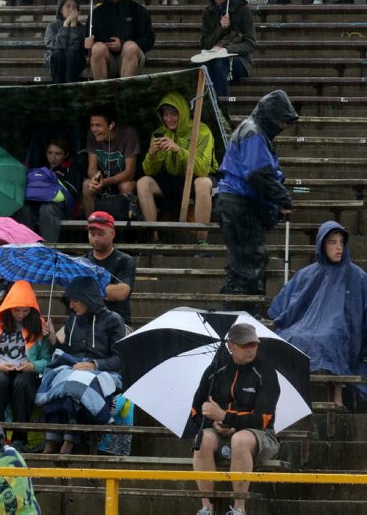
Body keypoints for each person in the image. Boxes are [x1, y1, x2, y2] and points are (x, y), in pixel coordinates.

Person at [268, 221, 367, 406]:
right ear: (322, 244)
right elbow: (288, 304)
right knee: (293, 337)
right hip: (307, 327)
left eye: (341, 242)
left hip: (342, 332)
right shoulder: (308, 273)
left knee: (330, 337)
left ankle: (337, 397)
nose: (338, 247)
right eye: (332, 242)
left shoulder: (357, 275)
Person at [217, 91, 299, 300]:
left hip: (237, 203)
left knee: (244, 263)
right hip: (238, 203)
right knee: (249, 261)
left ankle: (241, 312)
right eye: (282, 121)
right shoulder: (253, 132)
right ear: (271, 117)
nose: (283, 126)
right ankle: (240, 312)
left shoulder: (254, 131)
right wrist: (282, 197)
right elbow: (257, 173)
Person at [191, 323, 280, 515]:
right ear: (230, 345)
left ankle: (239, 509)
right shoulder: (215, 369)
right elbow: (196, 410)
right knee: (203, 439)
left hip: (260, 436)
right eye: (244, 345)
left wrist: (226, 417)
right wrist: (212, 423)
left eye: (253, 345)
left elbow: (263, 419)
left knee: (239, 439)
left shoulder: (266, 371)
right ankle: (207, 508)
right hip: (220, 433)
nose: (250, 349)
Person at [37, 275, 126, 454]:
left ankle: (69, 440)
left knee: (77, 382)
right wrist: (53, 339)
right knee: (55, 377)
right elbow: (67, 353)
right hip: (74, 368)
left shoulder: (114, 320)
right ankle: (52, 439)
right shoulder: (73, 320)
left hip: (104, 373)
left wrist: (94, 364)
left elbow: (120, 359)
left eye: (76, 301)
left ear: (89, 298)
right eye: (70, 301)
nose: (71, 306)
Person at [0, 280, 52, 449]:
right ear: (9, 306)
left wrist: (33, 366)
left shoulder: (40, 325)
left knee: (23, 383)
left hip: (26, 372)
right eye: (17, 310)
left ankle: (20, 439)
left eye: (25, 310)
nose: (21, 314)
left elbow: (48, 360)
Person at [137, 92, 218, 242]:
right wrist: (152, 154)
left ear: (183, 112)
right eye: (166, 115)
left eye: (174, 114)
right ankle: (153, 238)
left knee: (203, 183)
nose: (169, 119)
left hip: (196, 177)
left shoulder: (201, 130)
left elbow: (202, 170)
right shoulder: (159, 133)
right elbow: (149, 171)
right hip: (173, 180)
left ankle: (202, 241)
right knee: (143, 183)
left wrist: (179, 150)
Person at [84, 0, 155, 79]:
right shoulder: (96, 13)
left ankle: (125, 92)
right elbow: (87, 44)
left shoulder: (138, 10)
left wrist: (122, 45)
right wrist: (86, 44)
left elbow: (149, 39)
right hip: (106, 60)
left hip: (132, 57)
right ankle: (101, 92)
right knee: (97, 48)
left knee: (130, 47)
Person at [199, 0, 256, 97]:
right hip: (213, 56)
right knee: (203, 66)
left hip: (240, 61)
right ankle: (207, 105)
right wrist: (221, 28)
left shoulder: (243, 10)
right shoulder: (208, 12)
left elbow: (250, 44)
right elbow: (205, 44)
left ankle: (221, 105)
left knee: (220, 64)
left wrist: (226, 50)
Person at [17, 136, 78, 242]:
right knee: (25, 209)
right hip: (35, 208)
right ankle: (25, 250)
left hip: (60, 210)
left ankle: (48, 251)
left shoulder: (70, 171)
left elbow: (73, 194)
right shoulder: (39, 170)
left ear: (66, 154)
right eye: (50, 153)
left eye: (57, 154)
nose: (53, 158)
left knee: (46, 209)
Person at [82, 104, 140, 215]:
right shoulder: (92, 135)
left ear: (111, 125)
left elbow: (130, 173)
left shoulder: (129, 135)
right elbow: (92, 167)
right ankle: (92, 226)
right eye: (92, 125)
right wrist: (95, 179)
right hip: (103, 182)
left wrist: (105, 182)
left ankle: (127, 229)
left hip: (123, 181)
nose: (94, 129)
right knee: (87, 185)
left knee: (125, 186)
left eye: (98, 125)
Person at [85, 210, 135, 326]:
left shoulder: (125, 260)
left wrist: (86, 291)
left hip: (118, 322)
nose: (96, 239)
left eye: (100, 234)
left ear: (112, 234)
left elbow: (122, 292)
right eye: (92, 234)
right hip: (87, 323)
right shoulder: (83, 261)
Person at [43, 0, 87, 84]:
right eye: (68, 6)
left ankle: (70, 87)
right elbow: (59, 46)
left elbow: (75, 48)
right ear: (60, 9)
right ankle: (58, 87)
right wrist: (66, 24)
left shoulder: (82, 28)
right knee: (58, 54)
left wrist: (74, 25)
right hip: (56, 60)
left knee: (71, 54)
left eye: (75, 7)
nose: (72, 9)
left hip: (74, 61)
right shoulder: (52, 26)